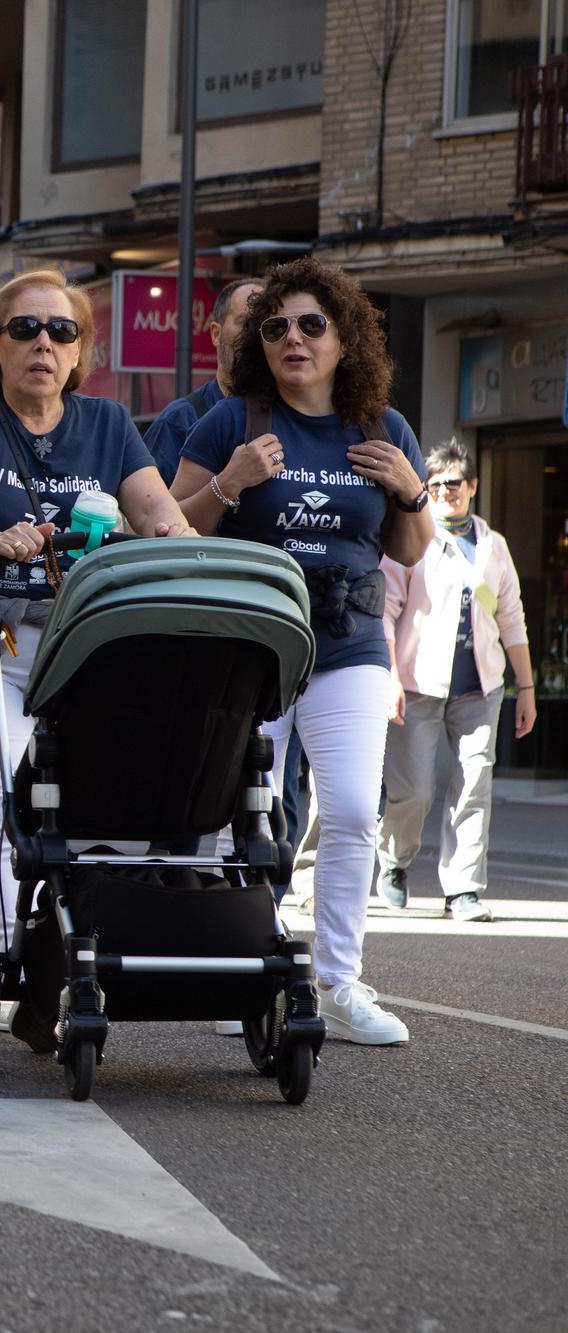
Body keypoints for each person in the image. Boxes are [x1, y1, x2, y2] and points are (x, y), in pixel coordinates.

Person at [173, 256, 431, 1045]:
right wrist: (231, 481)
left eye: (312, 324)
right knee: (233, 813)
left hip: (348, 643)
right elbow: (173, 523)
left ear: (344, 337)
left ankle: (340, 983)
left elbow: (413, 550)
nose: (293, 338)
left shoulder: (381, 427)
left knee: (353, 808)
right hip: (247, 642)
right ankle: (234, 969)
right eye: (276, 326)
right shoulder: (233, 422)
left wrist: (411, 490)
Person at [0, 268, 192, 956]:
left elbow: (164, 518)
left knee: (80, 805)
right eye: (25, 328)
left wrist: (177, 546)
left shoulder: (108, 423)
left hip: (75, 640)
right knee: (6, 804)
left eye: (61, 330)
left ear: (78, 354)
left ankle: (22, 937)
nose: (44, 342)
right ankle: (11, 964)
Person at [375, 441, 535, 921]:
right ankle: (394, 859)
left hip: (480, 689)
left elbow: (512, 618)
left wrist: (525, 688)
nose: (447, 491)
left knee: (473, 786)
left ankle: (463, 888)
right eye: (438, 482)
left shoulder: (493, 545)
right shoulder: (411, 539)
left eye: (455, 482)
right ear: (426, 487)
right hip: (418, 682)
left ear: (473, 487)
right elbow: (384, 611)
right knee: (416, 791)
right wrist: (389, 677)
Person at [141, 277, 263, 485]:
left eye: (267, 325)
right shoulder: (178, 422)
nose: (255, 335)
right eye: (245, 323)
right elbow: (149, 512)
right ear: (216, 333)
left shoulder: (294, 419)